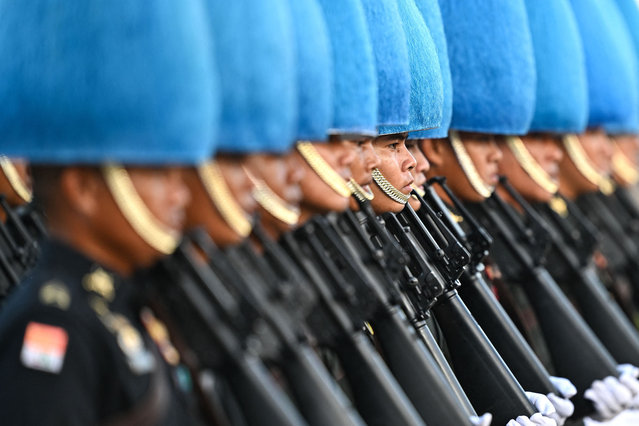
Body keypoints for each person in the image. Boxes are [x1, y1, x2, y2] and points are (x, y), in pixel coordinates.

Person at [0, 0, 218, 423]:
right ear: (83, 187)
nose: (179, 195)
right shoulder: (52, 328)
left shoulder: (121, 305)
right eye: (158, 175)